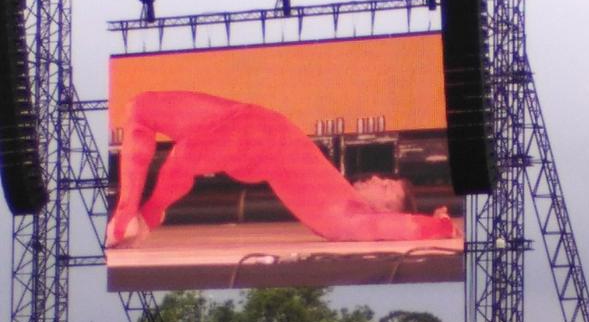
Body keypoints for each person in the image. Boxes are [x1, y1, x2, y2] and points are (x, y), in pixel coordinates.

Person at [107, 91, 458, 247]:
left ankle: (138, 217)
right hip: (256, 118)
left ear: (385, 211)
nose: (379, 178)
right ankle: (138, 216)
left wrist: (440, 227)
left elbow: (405, 228)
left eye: (387, 189)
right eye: (387, 179)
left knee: (183, 158)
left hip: (257, 139)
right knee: (140, 107)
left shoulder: (354, 221)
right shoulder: (345, 196)